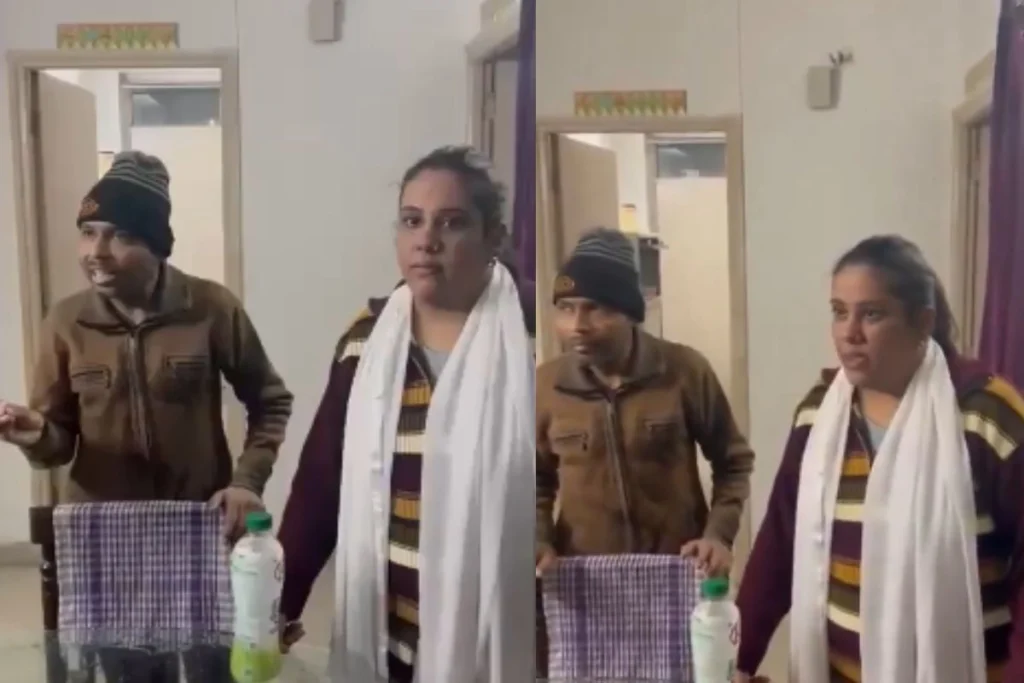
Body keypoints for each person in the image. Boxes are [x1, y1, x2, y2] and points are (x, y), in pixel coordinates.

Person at [0, 151, 294, 681]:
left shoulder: (210, 307)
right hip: (105, 536)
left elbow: (270, 400)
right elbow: (57, 446)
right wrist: (36, 433)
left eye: (121, 236)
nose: (97, 253)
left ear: (157, 244)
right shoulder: (65, 322)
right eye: (88, 233)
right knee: (124, 670)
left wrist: (247, 481)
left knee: (211, 666)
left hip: (197, 525)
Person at [276, 146, 535, 683]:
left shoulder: (534, 340)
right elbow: (321, 484)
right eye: (412, 221)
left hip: (507, 641)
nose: (426, 240)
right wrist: (277, 606)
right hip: (390, 640)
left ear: (493, 236)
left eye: (452, 222)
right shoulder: (367, 342)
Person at [733, 235, 1024, 683]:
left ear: (922, 322)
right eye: (838, 312)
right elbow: (780, 540)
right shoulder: (819, 415)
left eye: (871, 314)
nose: (849, 333)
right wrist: (738, 658)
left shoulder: (984, 415)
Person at [535, 228, 755, 669]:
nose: (577, 326)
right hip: (585, 589)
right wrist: (538, 539)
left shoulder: (685, 371)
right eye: (566, 308)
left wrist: (718, 535)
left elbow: (733, 463)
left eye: (596, 308)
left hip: (678, 578)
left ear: (630, 312)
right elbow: (535, 482)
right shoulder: (545, 386)